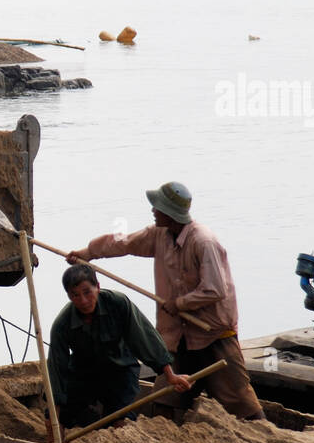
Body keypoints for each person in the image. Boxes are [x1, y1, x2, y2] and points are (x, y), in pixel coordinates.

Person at [66, 181, 266, 421]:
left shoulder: (203, 242)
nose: (153, 211)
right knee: (163, 401)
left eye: (157, 208)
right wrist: (87, 253)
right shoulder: (159, 234)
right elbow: (124, 242)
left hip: (213, 335)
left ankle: (263, 430)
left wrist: (179, 304)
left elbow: (215, 289)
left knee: (242, 403)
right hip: (178, 337)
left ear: (169, 214)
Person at [49, 264, 192, 429]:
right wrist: (54, 417)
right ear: (68, 296)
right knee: (66, 415)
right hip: (84, 372)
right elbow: (56, 367)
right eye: (75, 295)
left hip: (120, 369)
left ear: (98, 287)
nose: (83, 301)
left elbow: (145, 338)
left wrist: (170, 376)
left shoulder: (118, 303)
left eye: (87, 292)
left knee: (119, 420)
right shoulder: (62, 324)